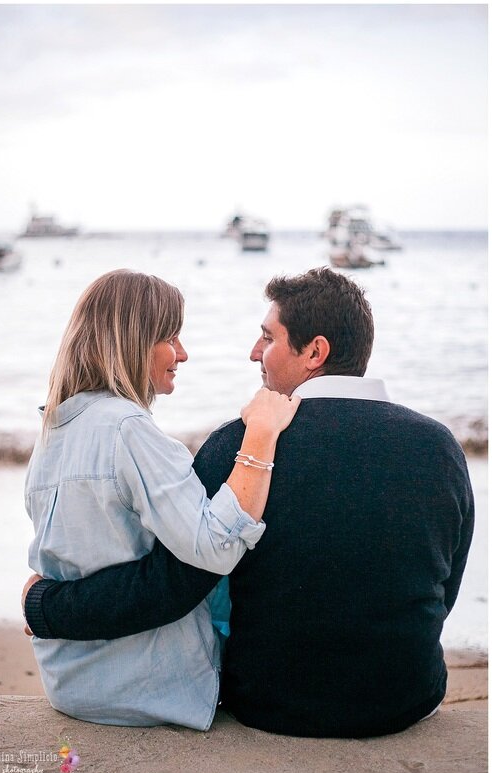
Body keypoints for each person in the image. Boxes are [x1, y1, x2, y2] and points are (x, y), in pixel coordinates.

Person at [24, 267, 474, 738]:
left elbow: (171, 586)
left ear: (315, 352)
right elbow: (446, 584)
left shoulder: (237, 447)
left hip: (271, 703)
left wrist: (44, 606)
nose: (254, 353)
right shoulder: (439, 446)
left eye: (267, 338)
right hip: (408, 696)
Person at [24, 269, 300, 729]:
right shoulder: (128, 430)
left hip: (70, 685)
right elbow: (215, 547)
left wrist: (42, 605)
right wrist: (261, 435)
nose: (183, 354)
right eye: (171, 337)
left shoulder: (53, 429)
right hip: (148, 686)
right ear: (133, 341)